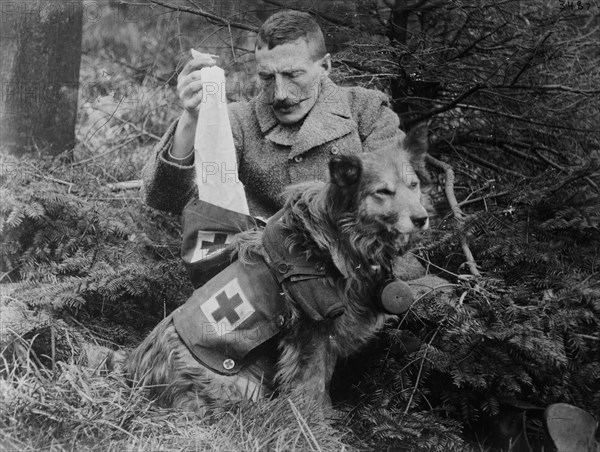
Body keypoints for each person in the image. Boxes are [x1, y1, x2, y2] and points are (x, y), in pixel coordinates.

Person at [142, 10, 407, 223]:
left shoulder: (366, 110)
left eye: (293, 75)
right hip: (268, 277)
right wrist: (191, 117)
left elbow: (397, 203)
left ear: (325, 66)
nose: (280, 94)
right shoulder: (239, 123)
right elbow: (167, 199)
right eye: (267, 77)